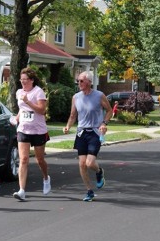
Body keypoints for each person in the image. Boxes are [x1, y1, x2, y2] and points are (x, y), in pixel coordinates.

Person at [63, 71, 113, 202]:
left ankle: (99, 171)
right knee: (82, 164)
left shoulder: (99, 95)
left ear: (89, 82)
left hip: (95, 132)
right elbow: (73, 115)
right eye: (78, 81)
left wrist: (104, 123)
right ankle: (89, 191)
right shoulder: (76, 97)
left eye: (81, 81)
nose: (78, 83)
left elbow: (109, 111)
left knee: (89, 162)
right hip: (81, 133)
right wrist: (68, 126)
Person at [12, 67, 51, 201]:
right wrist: (16, 118)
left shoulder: (38, 92)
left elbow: (42, 111)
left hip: (38, 130)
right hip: (23, 129)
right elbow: (22, 109)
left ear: (32, 80)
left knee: (40, 160)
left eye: (25, 80)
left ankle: (46, 178)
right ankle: (22, 190)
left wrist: (28, 101)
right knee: (23, 159)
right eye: (21, 80)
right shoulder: (19, 92)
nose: (23, 82)